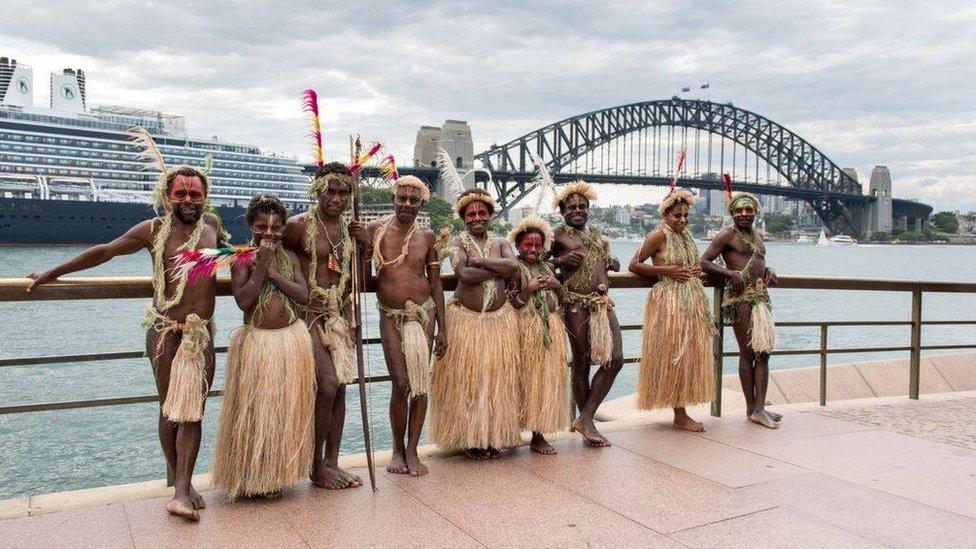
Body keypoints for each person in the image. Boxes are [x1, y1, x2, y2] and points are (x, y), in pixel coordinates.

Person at [26, 128, 222, 520]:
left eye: (194, 194)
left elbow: (233, 259)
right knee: (171, 410)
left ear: (204, 197)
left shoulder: (212, 226)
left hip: (201, 334)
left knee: (194, 409)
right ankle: (181, 488)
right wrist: (53, 271)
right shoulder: (152, 231)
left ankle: (182, 487)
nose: (187, 200)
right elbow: (105, 251)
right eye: (180, 194)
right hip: (166, 332)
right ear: (167, 197)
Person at [212, 195, 315, 498]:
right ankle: (252, 475)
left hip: (290, 340)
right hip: (258, 343)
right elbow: (244, 300)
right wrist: (260, 268)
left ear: (284, 229)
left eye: (276, 229)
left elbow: (303, 295)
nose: (269, 234)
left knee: (283, 410)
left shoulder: (292, 259)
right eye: (262, 227)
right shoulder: (241, 258)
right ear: (250, 225)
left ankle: (276, 474)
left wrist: (271, 271)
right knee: (256, 411)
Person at [282, 162, 365, 489]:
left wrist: (367, 244)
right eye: (331, 191)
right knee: (328, 384)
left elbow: (360, 278)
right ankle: (315, 466)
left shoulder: (350, 231)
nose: (337, 198)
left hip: (340, 317)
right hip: (307, 316)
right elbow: (272, 257)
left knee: (342, 385)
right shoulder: (297, 226)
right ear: (318, 190)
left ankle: (332, 461)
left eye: (344, 192)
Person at [357, 175, 446, 476]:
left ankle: (412, 450)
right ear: (394, 199)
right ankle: (396, 448)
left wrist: (442, 328)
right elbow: (364, 281)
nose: (407, 204)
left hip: (424, 315)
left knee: (420, 385)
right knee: (400, 383)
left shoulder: (427, 237)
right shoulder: (375, 231)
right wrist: (364, 248)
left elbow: (435, 283)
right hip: (391, 315)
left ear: (421, 203)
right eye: (402, 198)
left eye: (414, 199)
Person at [429, 188, 521, 459]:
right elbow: (465, 274)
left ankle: (493, 437)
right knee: (467, 381)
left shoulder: (502, 241)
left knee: (496, 381)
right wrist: (497, 266)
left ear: (490, 215)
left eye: (482, 212)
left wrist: (482, 260)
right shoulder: (456, 242)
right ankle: (469, 439)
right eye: (471, 214)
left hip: (498, 322)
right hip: (465, 321)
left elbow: (513, 267)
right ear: (463, 218)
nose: (477, 217)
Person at [628, 188, 715, 432]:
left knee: (688, 354)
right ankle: (680, 413)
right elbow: (634, 264)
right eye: (677, 215)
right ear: (665, 214)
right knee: (675, 354)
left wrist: (697, 271)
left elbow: (689, 265)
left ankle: (681, 410)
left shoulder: (685, 236)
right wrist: (667, 271)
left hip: (691, 301)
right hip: (669, 302)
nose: (683, 220)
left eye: (686, 215)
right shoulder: (658, 234)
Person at [549, 181, 623, 447]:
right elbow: (532, 262)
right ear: (563, 212)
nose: (578, 210)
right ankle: (588, 424)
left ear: (588, 209)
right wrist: (559, 262)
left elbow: (603, 261)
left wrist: (613, 263)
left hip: (603, 304)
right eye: (572, 208)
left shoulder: (598, 236)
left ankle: (585, 417)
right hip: (575, 305)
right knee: (582, 363)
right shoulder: (557, 236)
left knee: (615, 359)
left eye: (582, 206)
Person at [701, 190, 780, 429]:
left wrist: (769, 271)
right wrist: (729, 274)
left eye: (748, 209)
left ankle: (759, 408)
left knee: (764, 352)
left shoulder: (757, 236)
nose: (744, 213)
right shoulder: (727, 235)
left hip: (760, 298)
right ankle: (753, 409)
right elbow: (703, 261)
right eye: (739, 210)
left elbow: (758, 263)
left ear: (755, 211)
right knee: (749, 353)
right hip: (740, 300)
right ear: (732, 214)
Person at [507, 216, 571, 455]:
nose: (533, 249)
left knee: (543, 382)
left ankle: (538, 434)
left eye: (537, 245)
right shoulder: (514, 269)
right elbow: (512, 304)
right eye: (527, 245)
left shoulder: (549, 268)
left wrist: (556, 284)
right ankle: (511, 431)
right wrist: (528, 289)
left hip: (551, 329)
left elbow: (562, 299)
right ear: (518, 246)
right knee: (524, 381)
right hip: (526, 330)